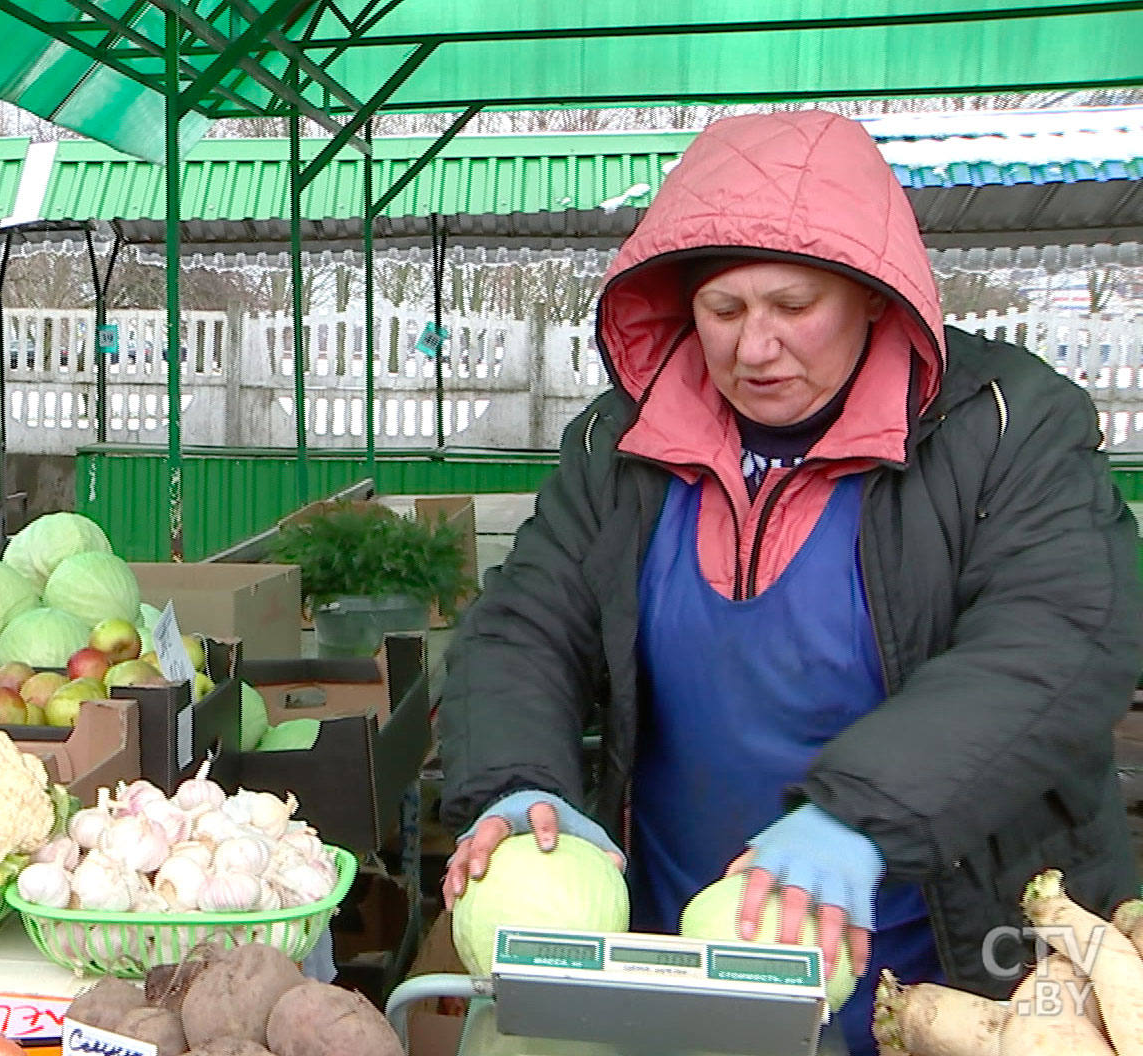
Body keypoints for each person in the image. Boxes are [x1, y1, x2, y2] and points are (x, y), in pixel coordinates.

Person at [436, 109, 1142, 1056]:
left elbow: (1063, 633)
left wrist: (859, 819)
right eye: (723, 311)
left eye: (792, 306)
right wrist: (519, 779)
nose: (754, 349)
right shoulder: (624, 444)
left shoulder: (1008, 425)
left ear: (873, 296)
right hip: (688, 961)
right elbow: (525, 625)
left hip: (963, 977)